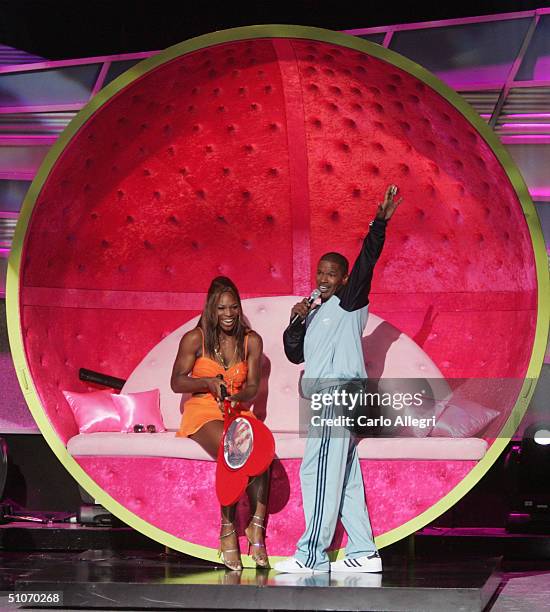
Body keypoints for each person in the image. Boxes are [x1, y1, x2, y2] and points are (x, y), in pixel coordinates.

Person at [274, 185, 402, 574]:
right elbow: (294, 354)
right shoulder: (315, 309)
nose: (325, 277)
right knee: (341, 475)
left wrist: (377, 224)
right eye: (321, 272)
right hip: (323, 400)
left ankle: (312, 556)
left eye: (332, 273)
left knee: (317, 470)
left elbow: (367, 262)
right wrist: (297, 320)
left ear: (345, 279)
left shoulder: (350, 303)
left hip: (339, 395)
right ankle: (363, 551)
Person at [171, 276, 270, 571]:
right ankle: (227, 531)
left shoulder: (251, 340)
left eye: (233, 308)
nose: (228, 314)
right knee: (233, 449)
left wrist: (239, 398)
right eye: (222, 308)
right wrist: (206, 382)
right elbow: (176, 382)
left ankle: (256, 526)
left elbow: (253, 386)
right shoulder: (194, 338)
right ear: (211, 310)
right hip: (203, 411)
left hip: (236, 410)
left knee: (263, 452)